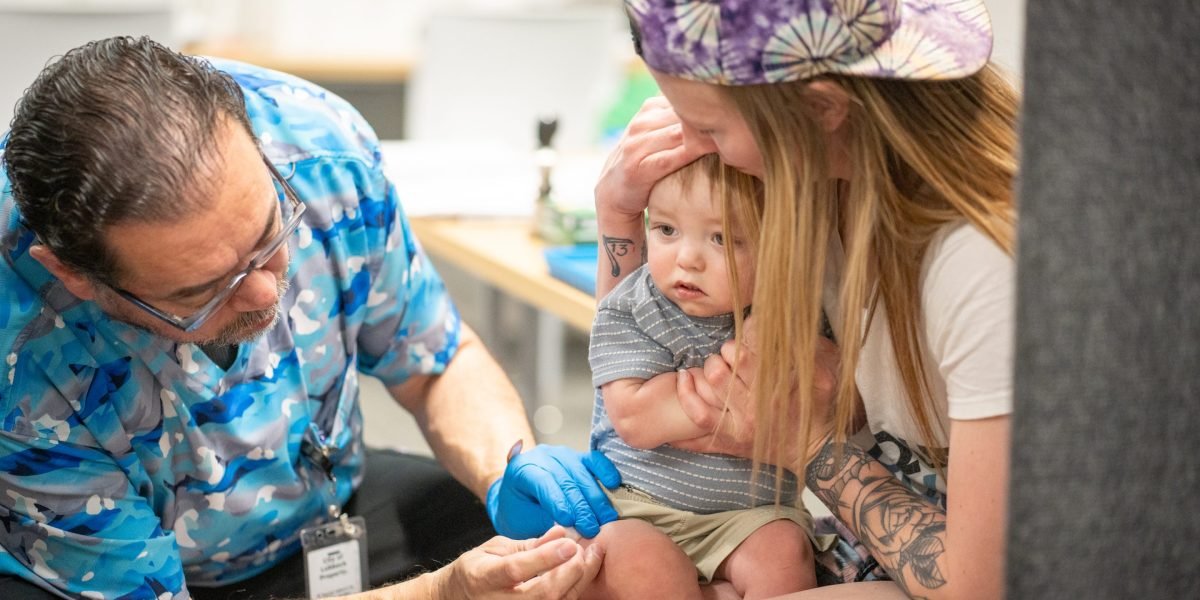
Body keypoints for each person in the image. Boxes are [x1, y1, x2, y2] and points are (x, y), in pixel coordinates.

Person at [0, 36, 620, 599]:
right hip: (127, 569)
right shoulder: (18, 353)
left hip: (327, 509)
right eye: (207, 291)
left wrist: (504, 471)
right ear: (74, 274)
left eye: (270, 235)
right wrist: (440, 593)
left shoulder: (320, 147)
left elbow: (435, 363)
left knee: (559, 561)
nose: (268, 293)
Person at [595, 1, 1017, 598]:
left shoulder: (982, 260)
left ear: (822, 109)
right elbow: (646, 349)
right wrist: (618, 212)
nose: (691, 145)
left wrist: (809, 442)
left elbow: (977, 585)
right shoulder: (820, 185)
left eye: (709, 127)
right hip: (864, 543)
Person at [585, 155, 826, 599]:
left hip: (749, 515)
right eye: (666, 230)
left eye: (721, 238)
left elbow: (815, 401)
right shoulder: (630, 306)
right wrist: (749, 387)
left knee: (785, 553)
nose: (687, 259)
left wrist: (681, 393)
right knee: (633, 558)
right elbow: (638, 420)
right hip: (637, 506)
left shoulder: (794, 315)